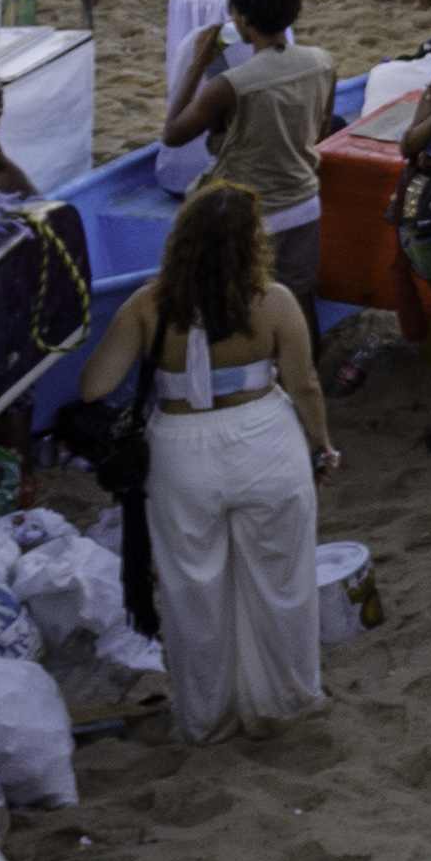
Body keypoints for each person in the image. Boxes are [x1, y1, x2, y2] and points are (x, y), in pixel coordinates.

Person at [124, 180, 332, 736]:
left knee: (193, 589)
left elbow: (95, 384)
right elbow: (305, 384)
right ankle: (286, 699)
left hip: (181, 451)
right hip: (263, 439)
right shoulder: (275, 301)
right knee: (281, 581)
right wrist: (322, 444)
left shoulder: (147, 305)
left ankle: (208, 717)